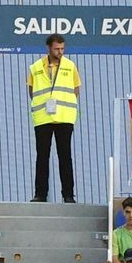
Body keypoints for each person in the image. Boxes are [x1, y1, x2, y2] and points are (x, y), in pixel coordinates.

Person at [28, 32, 81, 204]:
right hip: (43, 117)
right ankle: (40, 194)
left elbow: (76, 90)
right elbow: (31, 90)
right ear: (48, 48)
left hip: (64, 117)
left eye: (62, 48)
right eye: (57, 49)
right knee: (42, 157)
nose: (60, 52)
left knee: (65, 156)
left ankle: (68, 195)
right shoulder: (35, 68)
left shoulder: (70, 66)